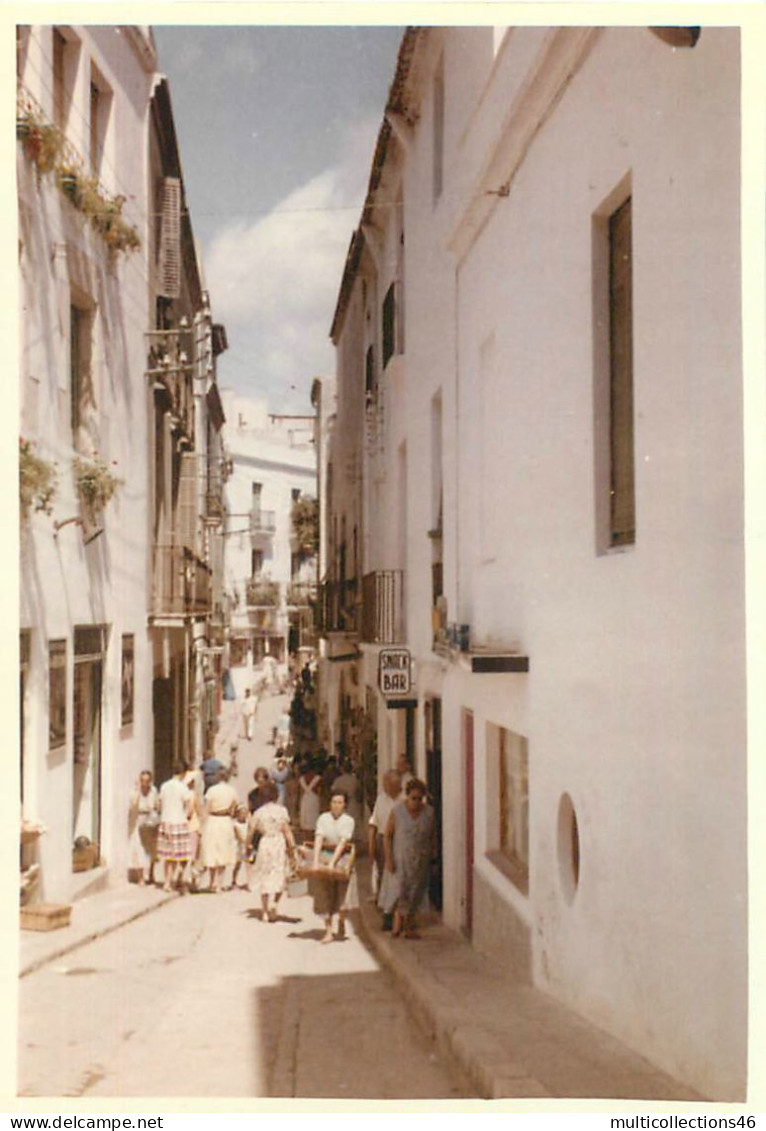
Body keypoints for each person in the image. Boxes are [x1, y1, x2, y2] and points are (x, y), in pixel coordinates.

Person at [380, 778, 435, 939]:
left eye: (420, 798)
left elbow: (432, 835)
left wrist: (433, 854)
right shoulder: (397, 812)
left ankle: (409, 924)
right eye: (413, 798)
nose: (416, 802)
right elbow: (387, 836)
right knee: (399, 890)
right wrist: (389, 858)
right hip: (400, 858)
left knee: (416, 891)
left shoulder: (429, 813)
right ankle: (396, 918)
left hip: (420, 859)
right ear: (407, 796)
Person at [310, 791, 358, 944]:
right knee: (325, 895)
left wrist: (333, 863)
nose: (336, 805)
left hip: (343, 856)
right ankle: (328, 930)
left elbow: (343, 842)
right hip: (326, 853)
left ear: (345, 805)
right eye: (334, 802)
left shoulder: (348, 820)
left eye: (340, 802)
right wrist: (316, 860)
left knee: (343, 901)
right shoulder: (323, 818)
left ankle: (342, 920)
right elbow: (318, 839)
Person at [250, 781, 296, 921]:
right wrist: (292, 848)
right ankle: (274, 904)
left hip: (265, 843)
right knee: (279, 873)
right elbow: (287, 831)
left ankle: (264, 911)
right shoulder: (281, 811)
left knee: (264, 874)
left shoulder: (258, 812)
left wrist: (247, 845)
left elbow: (251, 831)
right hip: (278, 843)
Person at [367, 769, 404, 920]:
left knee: (399, 877)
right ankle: (385, 910)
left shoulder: (404, 799)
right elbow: (373, 823)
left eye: (386, 784)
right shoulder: (381, 798)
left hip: (400, 841)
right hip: (382, 839)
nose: (384, 787)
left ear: (396, 785)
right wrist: (371, 845)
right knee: (383, 874)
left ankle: (397, 911)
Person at [157, 761, 193, 893]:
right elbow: (189, 805)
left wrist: (163, 814)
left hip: (166, 821)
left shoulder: (164, 786)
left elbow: (159, 804)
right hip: (179, 821)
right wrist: (187, 816)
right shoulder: (183, 787)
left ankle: (167, 882)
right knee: (182, 854)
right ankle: (179, 878)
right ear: (183, 773)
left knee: (168, 855)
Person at [201, 767, 238, 893]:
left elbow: (207, 808)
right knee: (224, 850)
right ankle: (220, 884)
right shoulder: (232, 791)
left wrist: (202, 824)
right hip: (225, 821)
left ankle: (212, 881)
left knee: (212, 850)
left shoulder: (211, 790)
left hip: (213, 820)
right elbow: (233, 809)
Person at [127, 771, 159, 885]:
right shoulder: (135, 792)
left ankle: (151, 874)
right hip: (139, 820)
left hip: (151, 821)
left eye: (147, 781)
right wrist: (137, 791)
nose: (145, 783)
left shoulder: (154, 790)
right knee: (139, 849)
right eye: (143, 781)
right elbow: (133, 806)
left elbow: (156, 805)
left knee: (152, 849)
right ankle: (140, 877)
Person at [184, 768, 204, 891]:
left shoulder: (182, 794)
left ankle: (185, 879)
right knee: (193, 854)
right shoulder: (192, 795)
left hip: (182, 825)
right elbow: (197, 811)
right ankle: (190, 880)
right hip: (193, 825)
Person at [332, 759, 363, 839]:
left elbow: (333, 791)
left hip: (340, 803)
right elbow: (359, 793)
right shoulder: (355, 780)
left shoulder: (338, 780)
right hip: (353, 803)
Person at [298, 761, 321, 841]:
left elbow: (300, 792)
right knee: (313, 820)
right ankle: (312, 840)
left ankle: (306, 840)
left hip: (304, 800)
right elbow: (320, 791)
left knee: (305, 820)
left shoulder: (301, 779)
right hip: (314, 800)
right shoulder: (318, 778)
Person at [231, 805, 251, 891]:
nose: (243, 815)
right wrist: (246, 843)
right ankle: (234, 881)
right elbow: (240, 837)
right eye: (241, 813)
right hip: (240, 847)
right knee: (238, 864)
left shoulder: (248, 823)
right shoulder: (236, 825)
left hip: (248, 847)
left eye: (245, 813)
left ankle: (249, 882)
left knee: (249, 864)